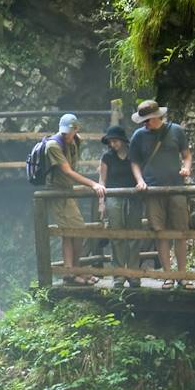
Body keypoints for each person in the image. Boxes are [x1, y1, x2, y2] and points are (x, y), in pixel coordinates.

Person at [128, 99, 194, 289]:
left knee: (181, 233)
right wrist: (140, 180)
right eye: (143, 121)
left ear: (158, 117)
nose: (145, 124)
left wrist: (186, 168)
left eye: (147, 120)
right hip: (153, 190)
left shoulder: (176, 131)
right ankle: (168, 276)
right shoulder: (138, 136)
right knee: (160, 233)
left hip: (176, 187)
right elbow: (134, 162)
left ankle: (182, 275)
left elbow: (186, 155)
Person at [47, 114, 107, 285]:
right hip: (57, 192)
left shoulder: (74, 141)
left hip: (67, 191)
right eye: (64, 132)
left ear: (76, 129)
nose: (67, 135)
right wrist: (93, 184)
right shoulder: (53, 145)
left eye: (70, 132)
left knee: (71, 231)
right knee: (75, 229)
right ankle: (74, 272)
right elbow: (67, 171)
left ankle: (72, 271)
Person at [98, 125, 142, 286]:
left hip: (133, 198)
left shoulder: (134, 154)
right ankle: (119, 275)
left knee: (134, 236)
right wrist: (101, 203)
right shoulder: (107, 157)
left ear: (122, 141)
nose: (113, 144)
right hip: (114, 198)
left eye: (115, 141)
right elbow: (102, 180)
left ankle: (134, 274)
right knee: (116, 236)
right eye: (110, 142)